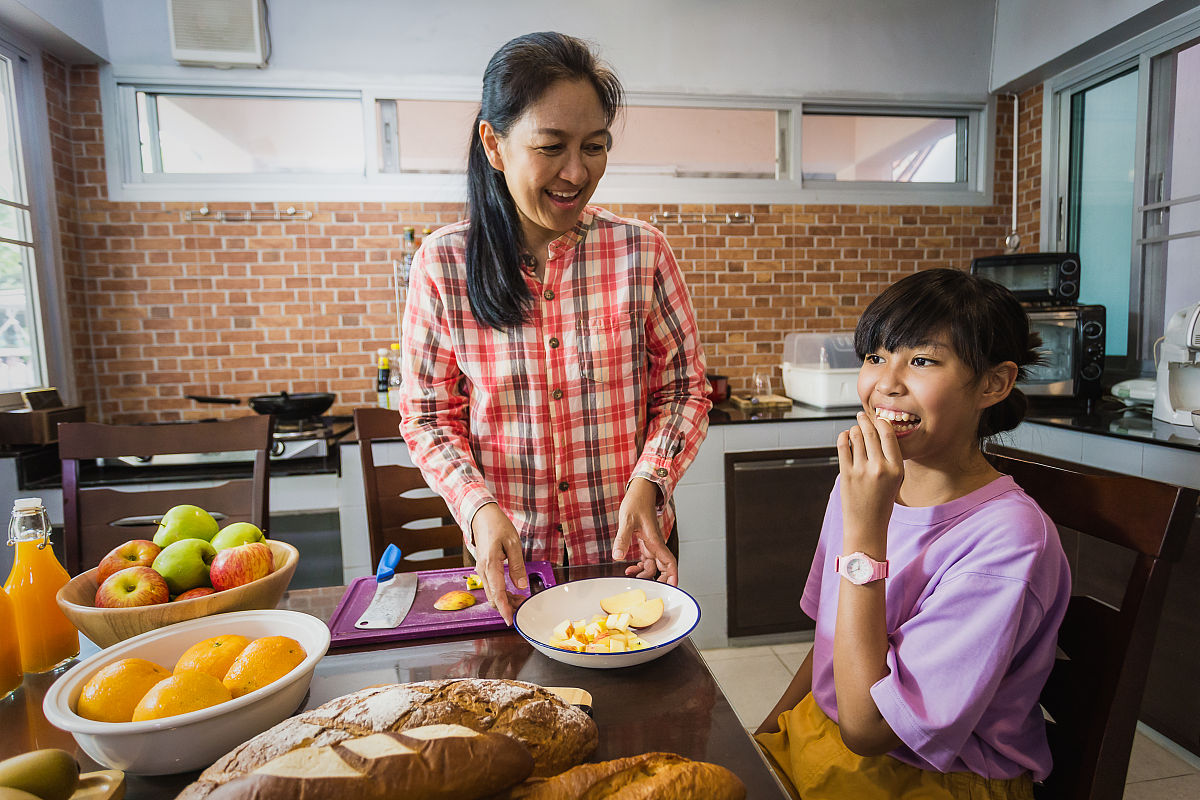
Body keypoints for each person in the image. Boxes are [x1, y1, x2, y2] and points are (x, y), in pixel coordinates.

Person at [398, 32, 711, 625]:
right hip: (514, 567)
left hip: (629, 563)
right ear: (494, 144)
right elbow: (428, 415)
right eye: (551, 146)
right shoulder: (443, 264)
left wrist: (652, 480)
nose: (576, 171)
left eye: (595, 146)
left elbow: (684, 390)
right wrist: (478, 508)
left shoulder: (641, 253)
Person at [754, 268, 1071, 800]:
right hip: (819, 732)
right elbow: (831, 645)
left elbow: (868, 731)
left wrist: (864, 531)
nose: (886, 383)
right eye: (876, 357)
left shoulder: (1009, 541)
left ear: (994, 383)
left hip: (935, 776)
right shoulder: (863, 489)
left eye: (921, 360)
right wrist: (764, 738)